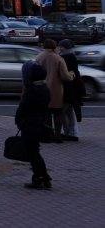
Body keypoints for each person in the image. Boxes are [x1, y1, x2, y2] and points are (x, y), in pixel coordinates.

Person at [16, 61, 52, 189]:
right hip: (39, 123)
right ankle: (43, 177)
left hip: (30, 125)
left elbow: (23, 108)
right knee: (34, 152)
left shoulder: (31, 91)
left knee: (33, 153)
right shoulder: (44, 88)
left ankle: (40, 178)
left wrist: (20, 121)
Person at [35, 39, 73, 139]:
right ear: (54, 46)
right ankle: (57, 136)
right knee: (57, 113)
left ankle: (47, 135)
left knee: (46, 114)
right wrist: (72, 75)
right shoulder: (58, 58)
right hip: (56, 90)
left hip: (42, 89)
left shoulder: (38, 57)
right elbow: (65, 76)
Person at [58, 39, 83, 142]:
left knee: (63, 111)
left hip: (68, 89)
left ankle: (69, 132)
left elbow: (65, 74)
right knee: (69, 111)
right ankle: (72, 132)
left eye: (60, 46)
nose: (59, 48)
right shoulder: (71, 56)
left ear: (64, 47)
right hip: (73, 88)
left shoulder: (65, 57)